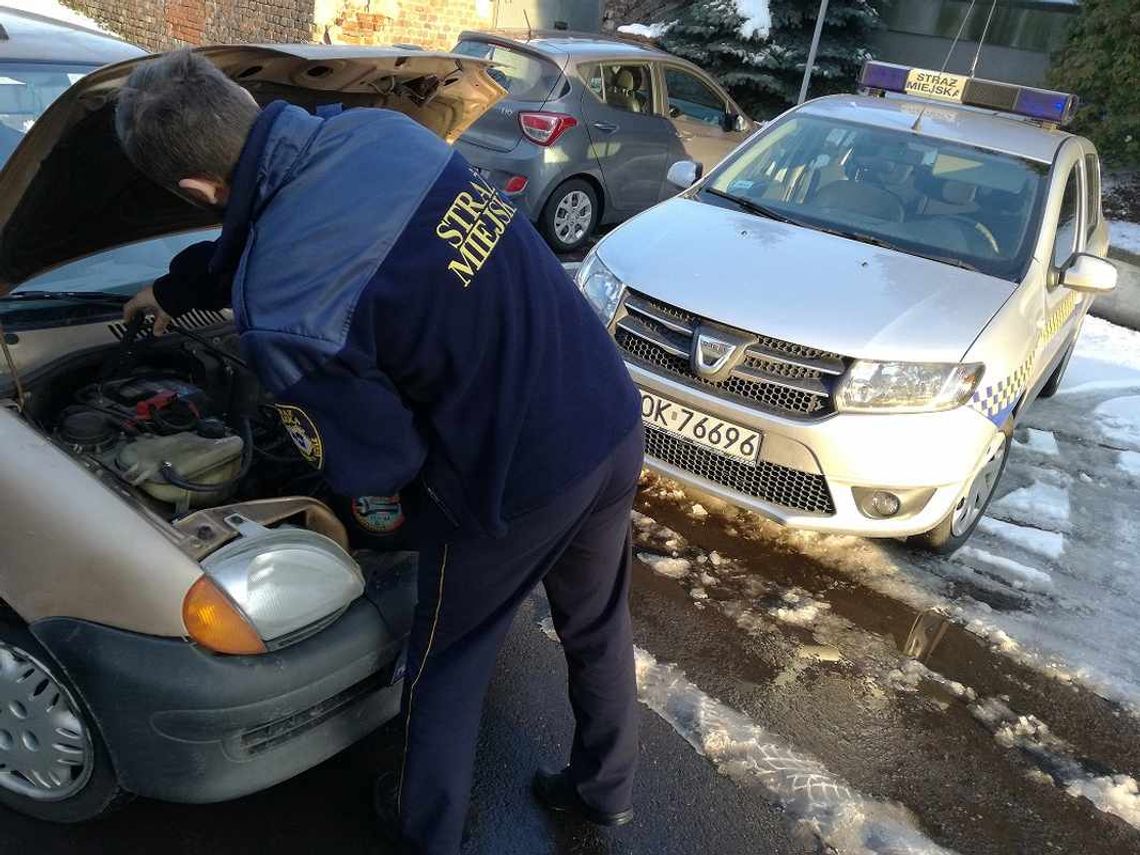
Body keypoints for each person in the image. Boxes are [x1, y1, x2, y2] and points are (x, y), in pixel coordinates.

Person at [115, 50, 643, 853]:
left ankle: (424, 834)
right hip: (606, 408)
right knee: (596, 619)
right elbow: (302, 231)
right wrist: (178, 288)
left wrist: (379, 514)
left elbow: (381, 459)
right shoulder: (382, 135)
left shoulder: (285, 304)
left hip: (520, 473)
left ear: (197, 192)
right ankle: (605, 791)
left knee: (447, 663)